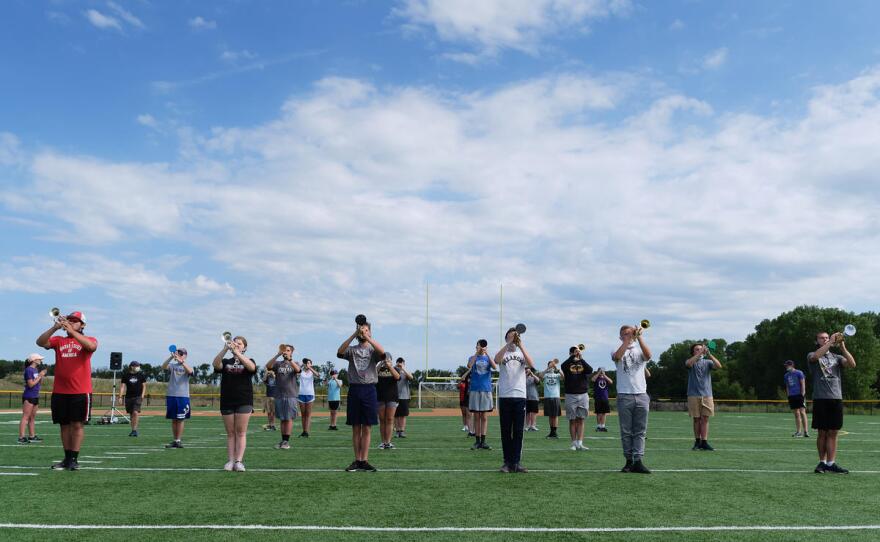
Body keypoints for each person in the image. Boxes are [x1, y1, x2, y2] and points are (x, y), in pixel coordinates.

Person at [36, 310, 98, 471]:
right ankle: (66, 458)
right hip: (60, 391)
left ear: (83, 325)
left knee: (77, 425)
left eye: (75, 321)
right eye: (69, 320)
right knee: (63, 426)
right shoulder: (59, 340)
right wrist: (55, 327)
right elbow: (40, 342)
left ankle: (74, 459)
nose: (70, 322)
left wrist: (71, 331)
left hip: (80, 391)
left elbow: (91, 346)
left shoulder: (89, 339)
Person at [337, 318, 386, 472]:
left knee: (367, 427)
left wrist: (368, 337)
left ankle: (364, 460)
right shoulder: (352, 350)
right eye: (361, 330)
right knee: (356, 427)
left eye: (366, 330)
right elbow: (339, 352)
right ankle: (357, 460)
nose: (363, 332)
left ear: (370, 332)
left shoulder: (372, 350)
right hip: (355, 389)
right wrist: (354, 334)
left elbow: (383, 353)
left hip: (369, 389)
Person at [808, 330, 856, 474]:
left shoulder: (837, 357)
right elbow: (816, 357)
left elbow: (852, 364)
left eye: (827, 338)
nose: (825, 339)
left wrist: (842, 346)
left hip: (836, 397)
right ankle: (822, 463)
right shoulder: (811, 354)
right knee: (822, 432)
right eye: (821, 338)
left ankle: (831, 463)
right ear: (817, 341)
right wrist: (830, 343)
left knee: (833, 432)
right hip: (821, 398)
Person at [494, 327, 536, 473]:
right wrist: (509, 343)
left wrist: (521, 345)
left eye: (515, 336)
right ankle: (507, 462)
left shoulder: (521, 353)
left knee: (518, 431)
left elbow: (532, 364)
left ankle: (516, 462)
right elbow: (496, 360)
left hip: (520, 396)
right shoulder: (503, 352)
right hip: (505, 396)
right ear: (506, 338)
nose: (513, 338)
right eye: (510, 336)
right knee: (506, 431)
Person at [612, 324, 652, 474]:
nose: (629, 335)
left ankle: (638, 460)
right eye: (625, 334)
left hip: (641, 394)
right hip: (624, 395)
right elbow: (617, 357)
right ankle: (628, 461)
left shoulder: (639, 349)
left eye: (630, 333)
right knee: (626, 431)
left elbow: (648, 356)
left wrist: (639, 336)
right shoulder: (616, 349)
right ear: (620, 336)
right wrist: (626, 341)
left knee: (640, 431)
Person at [213, 335, 257, 472]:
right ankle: (230, 460)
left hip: (244, 400)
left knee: (241, 432)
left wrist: (237, 352)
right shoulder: (226, 361)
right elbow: (215, 364)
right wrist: (225, 348)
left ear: (245, 347)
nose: (236, 344)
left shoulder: (249, 360)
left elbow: (251, 368)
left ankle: (239, 461)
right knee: (231, 433)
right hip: (227, 400)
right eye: (235, 343)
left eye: (240, 343)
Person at [686, 343, 722, 451]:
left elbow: (719, 366)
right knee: (696, 419)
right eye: (697, 349)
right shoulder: (690, 361)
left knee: (705, 419)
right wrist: (700, 353)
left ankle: (704, 442)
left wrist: (709, 354)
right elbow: (688, 364)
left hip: (707, 394)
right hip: (693, 394)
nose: (700, 351)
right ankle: (697, 442)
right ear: (693, 352)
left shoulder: (708, 362)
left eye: (701, 349)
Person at [267, 344, 300, 449]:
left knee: (288, 418)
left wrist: (290, 360)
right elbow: (268, 366)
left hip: (291, 395)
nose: (285, 352)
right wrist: (277, 354)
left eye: (288, 350)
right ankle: (282, 440)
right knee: (282, 418)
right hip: (279, 395)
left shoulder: (294, 363)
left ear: (291, 352)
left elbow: (298, 370)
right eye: (284, 350)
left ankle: (286, 441)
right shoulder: (278, 364)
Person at [466, 339, 497, 450]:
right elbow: (469, 365)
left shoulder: (488, 357)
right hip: (475, 388)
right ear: (476, 347)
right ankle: (477, 441)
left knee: (484, 416)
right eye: (479, 345)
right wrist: (477, 353)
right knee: (476, 415)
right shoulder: (472, 357)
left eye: (483, 345)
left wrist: (487, 353)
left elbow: (494, 367)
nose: (481, 347)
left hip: (486, 389)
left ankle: (483, 441)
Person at [561, 346, 593, 451]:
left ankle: (580, 443)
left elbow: (590, 370)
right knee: (572, 420)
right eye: (575, 352)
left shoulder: (582, 363)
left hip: (583, 394)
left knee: (581, 419)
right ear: (570, 353)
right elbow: (562, 366)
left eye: (577, 351)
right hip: (570, 394)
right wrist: (572, 357)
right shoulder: (567, 364)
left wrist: (581, 359)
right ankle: (573, 443)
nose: (577, 353)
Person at [162, 347, 193, 449]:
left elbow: (190, 372)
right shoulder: (172, 366)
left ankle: (178, 440)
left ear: (185, 355)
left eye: (181, 353)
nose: (179, 355)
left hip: (182, 396)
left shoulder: (187, 366)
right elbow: (163, 366)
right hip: (171, 395)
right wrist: (171, 357)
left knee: (180, 419)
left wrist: (182, 362)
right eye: (178, 353)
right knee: (174, 419)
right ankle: (175, 440)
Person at [19, 353, 47, 444]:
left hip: (35, 395)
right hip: (29, 396)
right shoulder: (28, 370)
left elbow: (38, 383)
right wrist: (39, 376)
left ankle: (32, 436)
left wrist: (41, 376)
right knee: (25, 417)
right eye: (39, 359)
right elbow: (31, 384)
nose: (41, 360)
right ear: (34, 360)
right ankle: (21, 437)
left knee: (32, 417)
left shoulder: (35, 370)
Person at [375, 353, 400, 449]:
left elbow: (397, 377)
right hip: (380, 397)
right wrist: (380, 364)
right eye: (384, 359)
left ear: (391, 360)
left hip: (392, 397)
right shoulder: (378, 368)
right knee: (382, 420)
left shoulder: (395, 368)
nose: (386, 361)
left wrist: (389, 366)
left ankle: (388, 442)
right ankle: (383, 442)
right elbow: (373, 374)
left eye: (388, 360)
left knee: (390, 419)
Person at [119, 361, 147, 437]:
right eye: (137, 366)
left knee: (135, 412)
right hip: (128, 397)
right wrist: (120, 396)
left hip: (137, 397)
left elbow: (144, 386)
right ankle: (133, 430)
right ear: (132, 367)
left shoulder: (141, 375)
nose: (138, 367)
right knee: (131, 414)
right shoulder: (126, 375)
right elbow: (122, 387)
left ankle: (135, 430)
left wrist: (142, 395)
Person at [784, 360, 809, 438]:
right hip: (792, 396)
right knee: (796, 413)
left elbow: (803, 383)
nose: (786, 367)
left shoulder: (799, 373)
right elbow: (787, 386)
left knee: (802, 412)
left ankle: (806, 431)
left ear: (792, 365)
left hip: (799, 395)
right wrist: (788, 395)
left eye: (787, 365)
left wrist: (802, 394)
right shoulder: (786, 375)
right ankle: (799, 432)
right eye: (786, 366)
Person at [539, 359, 562, 439]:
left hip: (555, 396)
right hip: (547, 397)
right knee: (550, 415)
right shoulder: (545, 375)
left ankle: (555, 432)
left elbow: (563, 377)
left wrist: (556, 367)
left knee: (555, 415)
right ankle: (551, 432)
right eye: (550, 365)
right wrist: (547, 369)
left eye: (552, 365)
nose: (551, 367)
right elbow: (540, 376)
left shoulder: (557, 375)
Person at [297, 358, 320, 437]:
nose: (307, 364)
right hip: (301, 394)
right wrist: (301, 365)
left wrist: (310, 367)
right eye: (306, 363)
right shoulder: (301, 371)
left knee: (308, 414)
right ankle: (303, 431)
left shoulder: (312, 372)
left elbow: (318, 375)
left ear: (311, 364)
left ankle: (307, 431)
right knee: (303, 414)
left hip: (310, 394)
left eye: (309, 363)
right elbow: (296, 372)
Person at [394, 358, 413, 438]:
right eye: (398, 363)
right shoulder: (393, 371)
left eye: (401, 363)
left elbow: (411, 377)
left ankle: (402, 431)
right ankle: (397, 431)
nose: (400, 364)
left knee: (403, 415)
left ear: (404, 363)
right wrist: (395, 367)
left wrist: (403, 369)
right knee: (395, 415)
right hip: (394, 396)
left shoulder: (406, 372)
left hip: (404, 396)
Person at [591, 368, 613, 432]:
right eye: (600, 371)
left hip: (605, 398)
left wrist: (604, 375)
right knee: (598, 413)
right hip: (598, 398)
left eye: (603, 371)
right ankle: (598, 426)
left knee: (604, 413)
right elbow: (592, 379)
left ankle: (603, 426)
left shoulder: (606, 379)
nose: (601, 372)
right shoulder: (596, 378)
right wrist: (598, 373)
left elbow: (611, 381)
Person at [262, 364, 277, 431]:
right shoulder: (267, 377)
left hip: (275, 396)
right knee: (269, 412)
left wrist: (273, 374)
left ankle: (273, 425)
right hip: (268, 396)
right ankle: (270, 424)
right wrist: (266, 372)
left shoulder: (276, 376)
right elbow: (263, 380)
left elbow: (277, 379)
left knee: (273, 412)